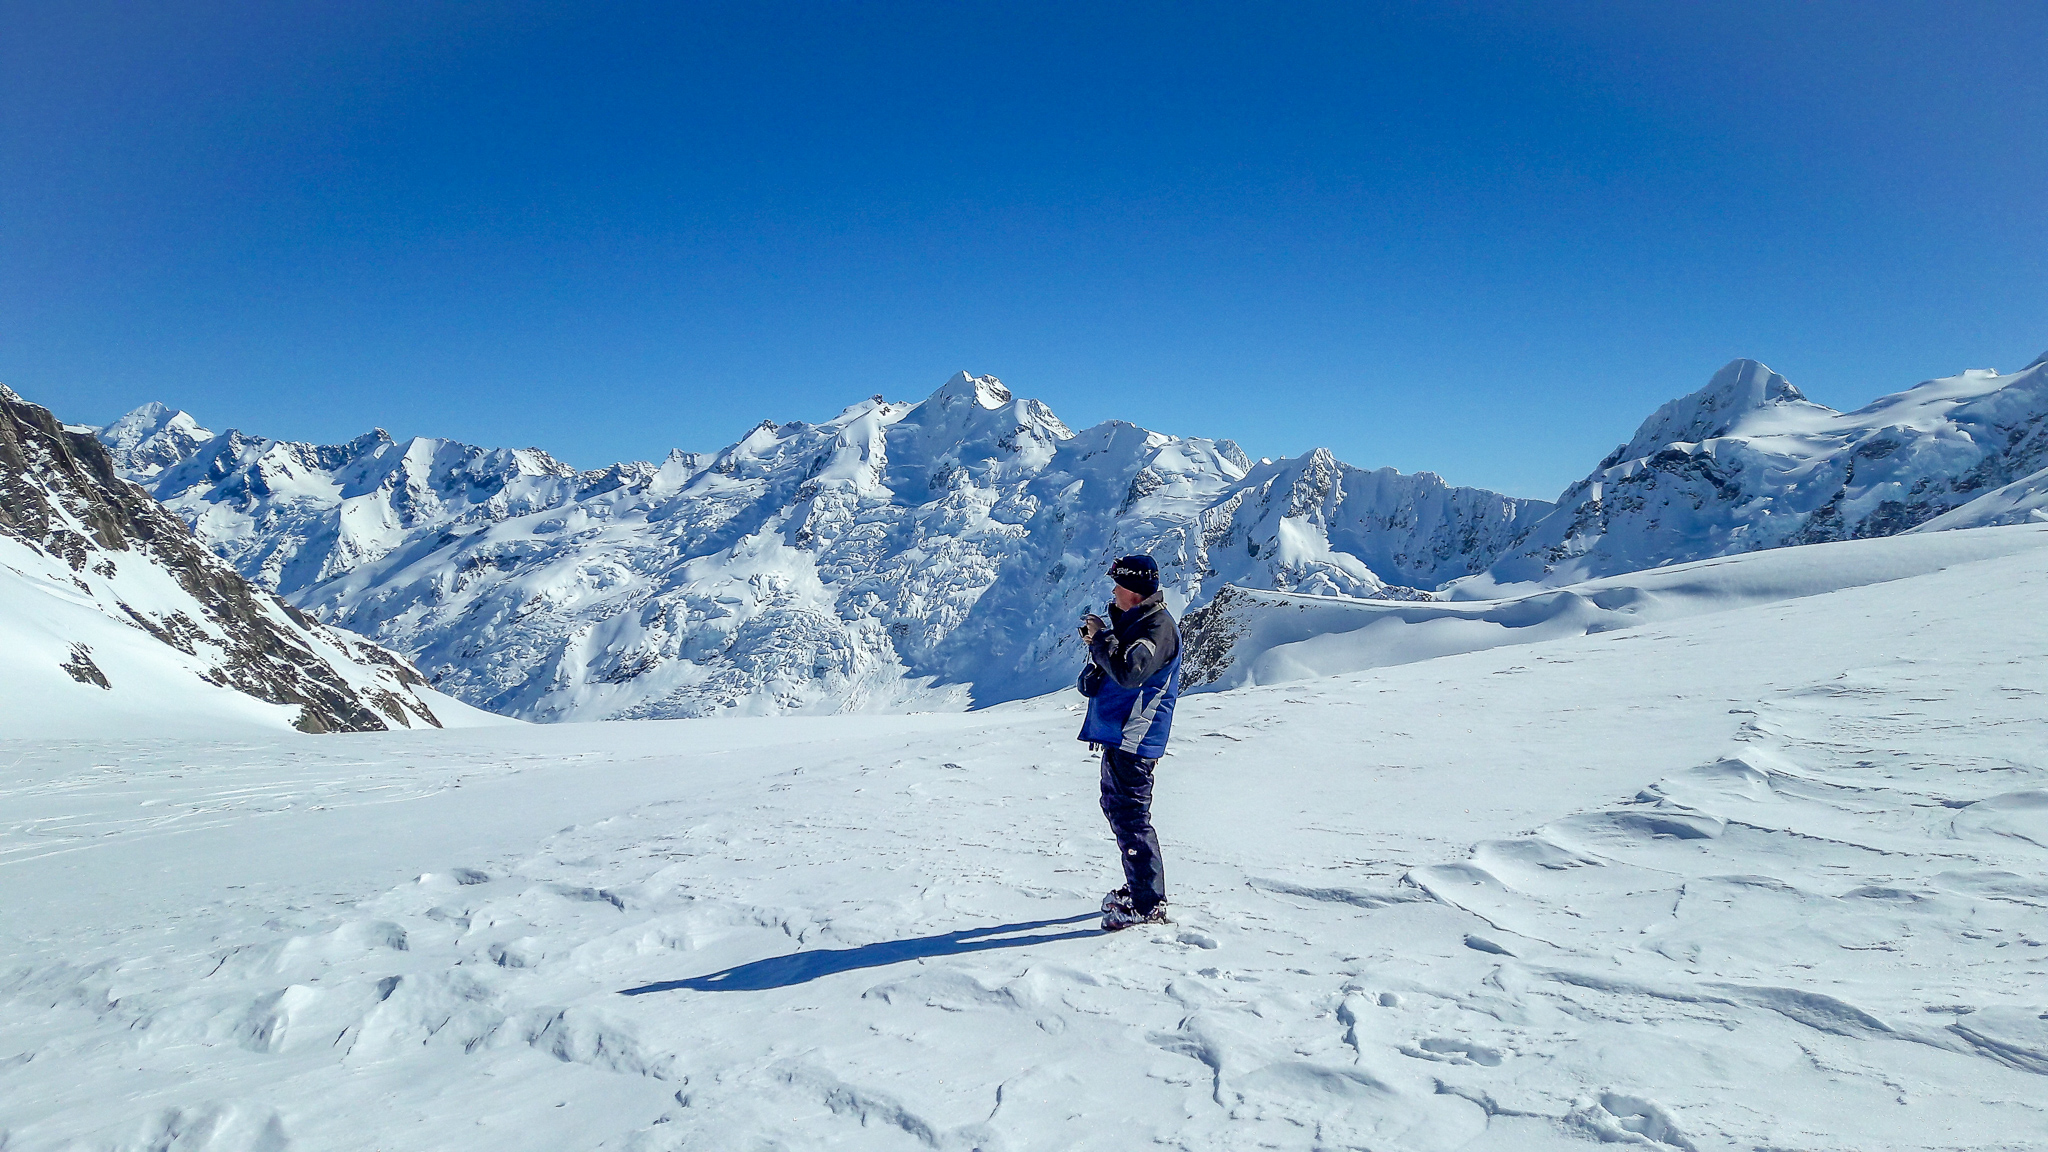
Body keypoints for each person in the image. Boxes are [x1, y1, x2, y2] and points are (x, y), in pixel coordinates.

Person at [1076, 553, 1182, 930]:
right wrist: (1095, 661)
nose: (1113, 590)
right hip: (1121, 735)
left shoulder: (1156, 629)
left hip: (1136, 737)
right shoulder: (1134, 621)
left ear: (1134, 592)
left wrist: (1102, 639)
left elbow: (1129, 670)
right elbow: (1112, 667)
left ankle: (1147, 904)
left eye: (1118, 584)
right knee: (1119, 810)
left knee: (1130, 816)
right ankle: (1142, 889)